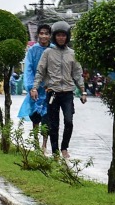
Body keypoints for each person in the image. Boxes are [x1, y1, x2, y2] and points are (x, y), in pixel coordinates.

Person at [31, 21, 86, 158]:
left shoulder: (73, 54)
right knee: (53, 124)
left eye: (64, 35)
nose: (61, 38)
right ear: (54, 37)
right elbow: (40, 71)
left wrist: (83, 91)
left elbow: (77, 74)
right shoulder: (48, 53)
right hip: (52, 93)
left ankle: (64, 148)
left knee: (69, 121)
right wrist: (35, 88)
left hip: (67, 93)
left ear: (67, 37)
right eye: (58, 35)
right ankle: (55, 151)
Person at [18, 24, 52, 153]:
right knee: (35, 117)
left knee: (47, 118)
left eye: (46, 33)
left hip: (50, 89)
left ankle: (45, 145)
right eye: (41, 33)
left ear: (50, 35)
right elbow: (28, 69)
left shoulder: (54, 49)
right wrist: (32, 87)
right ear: (38, 35)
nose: (44, 36)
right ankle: (36, 143)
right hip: (36, 89)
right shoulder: (32, 50)